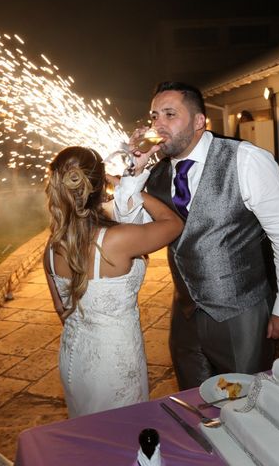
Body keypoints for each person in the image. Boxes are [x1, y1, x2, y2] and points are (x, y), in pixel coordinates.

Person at [114, 82, 279, 390]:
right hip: (185, 315)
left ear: (199, 122)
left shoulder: (245, 159)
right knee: (193, 403)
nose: (158, 125)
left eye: (169, 114)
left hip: (240, 311)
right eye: (153, 117)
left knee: (246, 399)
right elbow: (129, 227)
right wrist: (135, 169)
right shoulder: (157, 175)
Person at [43, 146, 183, 417]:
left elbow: (63, 311)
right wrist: (128, 188)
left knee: (87, 432)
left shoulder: (51, 246)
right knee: (124, 435)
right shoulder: (117, 240)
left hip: (74, 358)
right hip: (114, 361)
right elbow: (174, 223)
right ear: (98, 186)